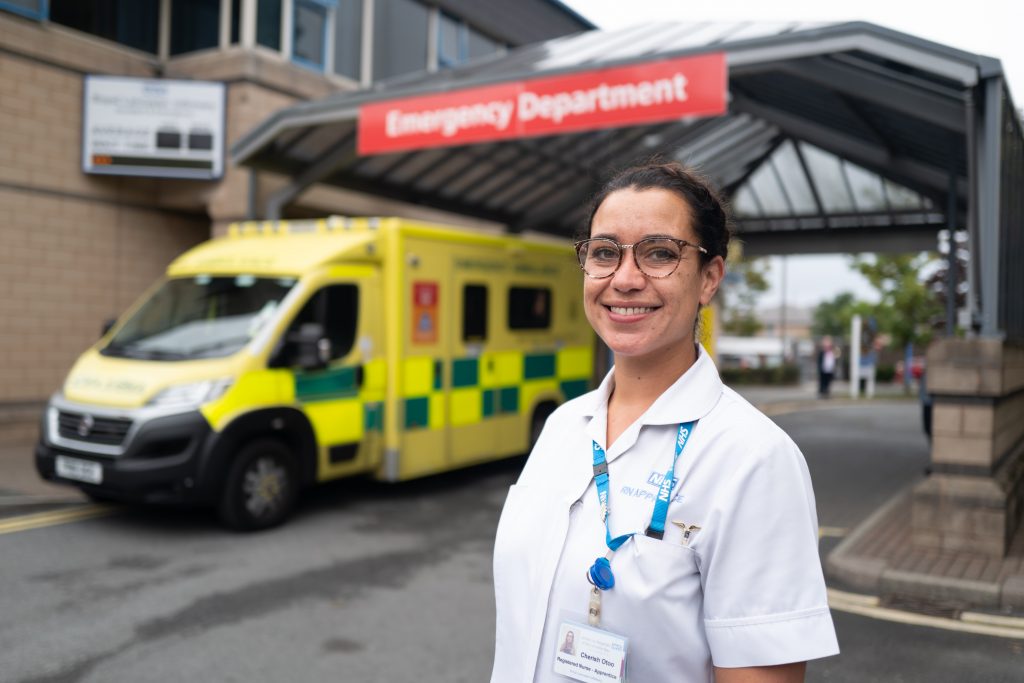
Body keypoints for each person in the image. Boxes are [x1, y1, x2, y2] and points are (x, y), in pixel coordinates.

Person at [491, 162, 838, 683]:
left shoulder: (754, 458)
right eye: (605, 252)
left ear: (709, 278)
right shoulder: (563, 426)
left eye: (659, 253)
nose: (625, 279)